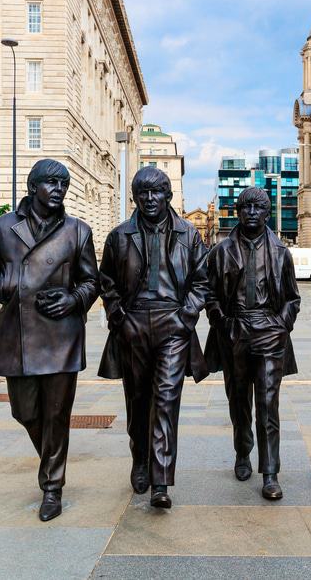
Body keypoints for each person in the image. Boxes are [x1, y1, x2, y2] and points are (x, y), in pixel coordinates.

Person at [0, 159, 100, 522]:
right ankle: (50, 465)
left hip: (62, 335)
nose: (59, 190)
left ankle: (52, 487)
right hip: (19, 335)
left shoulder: (78, 231)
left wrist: (73, 299)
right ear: (33, 188)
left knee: (57, 415)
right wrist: (11, 286)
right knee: (25, 411)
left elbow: (92, 281)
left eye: (64, 184)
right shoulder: (3, 228)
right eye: (51, 183)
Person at [98, 167, 210, 510]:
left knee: (165, 400)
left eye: (156, 192)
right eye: (142, 193)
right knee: (138, 401)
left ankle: (161, 480)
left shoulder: (189, 235)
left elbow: (202, 281)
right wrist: (120, 318)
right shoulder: (119, 236)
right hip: (134, 324)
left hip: (173, 325)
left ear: (168, 196)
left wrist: (186, 316)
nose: (149, 199)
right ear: (134, 197)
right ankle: (141, 460)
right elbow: (107, 282)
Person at [204, 187, 300, 501]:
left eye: (258, 208)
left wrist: (281, 325)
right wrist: (222, 321)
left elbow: (292, 298)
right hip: (234, 329)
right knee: (239, 400)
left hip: (269, 331)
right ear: (238, 212)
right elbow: (210, 293)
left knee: (269, 405)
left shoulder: (281, 252)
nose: (252, 213)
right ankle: (243, 450)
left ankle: (270, 472)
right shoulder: (220, 251)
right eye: (246, 208)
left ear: (267, 213)